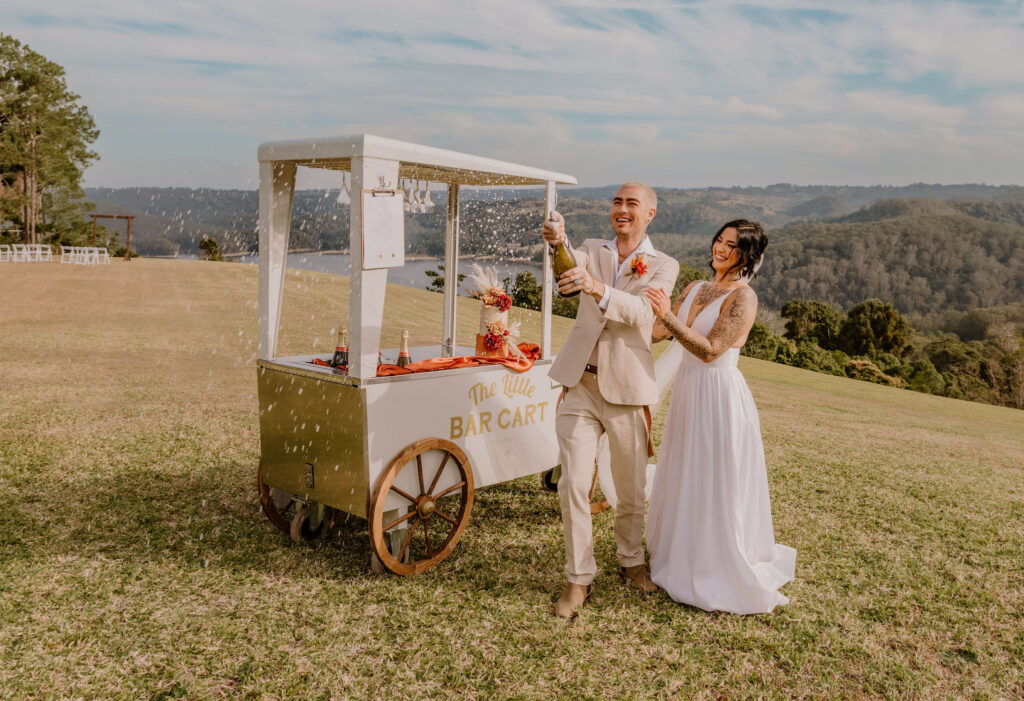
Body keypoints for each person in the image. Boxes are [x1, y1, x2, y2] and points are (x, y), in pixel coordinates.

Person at [643, 219, 796, 614]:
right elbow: (661, 332)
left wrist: (668, 317)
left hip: (719, 398)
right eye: (719, 240)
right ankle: (681, 552)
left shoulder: (744, 298)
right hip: (689, 394)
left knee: (713, 477)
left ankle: (713, 564)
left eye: (732, 246)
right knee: (685, 470)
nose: (721, 249)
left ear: (748, 256)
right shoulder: (695, 287)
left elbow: (710, 349)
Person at [542, 182, 680, 618]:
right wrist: (557, 241)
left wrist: (597, 288)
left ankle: (630, 561)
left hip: (628, 389)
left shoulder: (663, 265)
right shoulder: (591, 248)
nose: (622, 209)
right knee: (573, 484)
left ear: (649, 214)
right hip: (580, 384)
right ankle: (578, 578)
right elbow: (569, 271)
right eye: (617, 202)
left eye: (631, 204)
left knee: (630, 487)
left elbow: (642, 314)